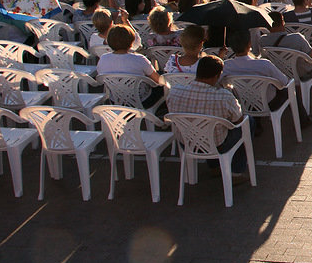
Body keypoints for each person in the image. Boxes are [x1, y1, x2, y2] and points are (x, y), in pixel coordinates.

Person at [164, 55, 252, 183]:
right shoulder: (224, 97)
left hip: (186, 142)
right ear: (217, 76)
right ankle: (236, 172)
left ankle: (215, 167)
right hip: (217, 144)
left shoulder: (175, 92)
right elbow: (238, 121)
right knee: (248, 123)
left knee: (210, 130)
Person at [96, 24, 166, 109]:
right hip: (142, 101)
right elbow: (158, 80)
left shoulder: (103, 58)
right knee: (164, 82)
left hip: (116, 100)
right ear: (131, 41)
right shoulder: (139, 59)